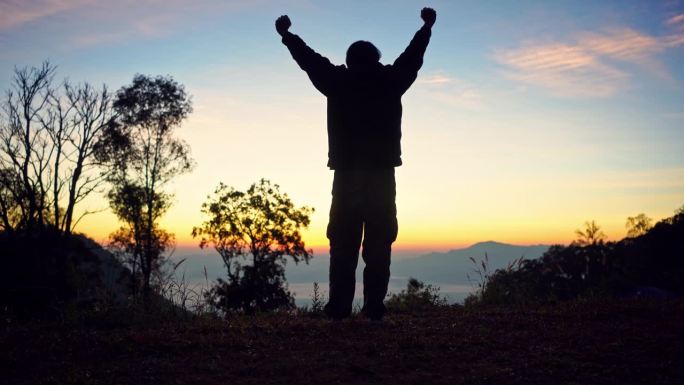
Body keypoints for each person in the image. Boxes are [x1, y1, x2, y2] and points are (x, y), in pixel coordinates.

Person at [276, 8, 436, 321]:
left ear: (349, 61)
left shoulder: (338, 81)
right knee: (379, 242)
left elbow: (309, 59)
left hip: (347, 176)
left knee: (343, 242)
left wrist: (286, 36)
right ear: (375, 59)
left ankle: (339, 308)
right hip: (381, 175)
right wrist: (426, 27)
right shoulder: (390, 80)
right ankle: (373, 306)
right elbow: (412, 57)